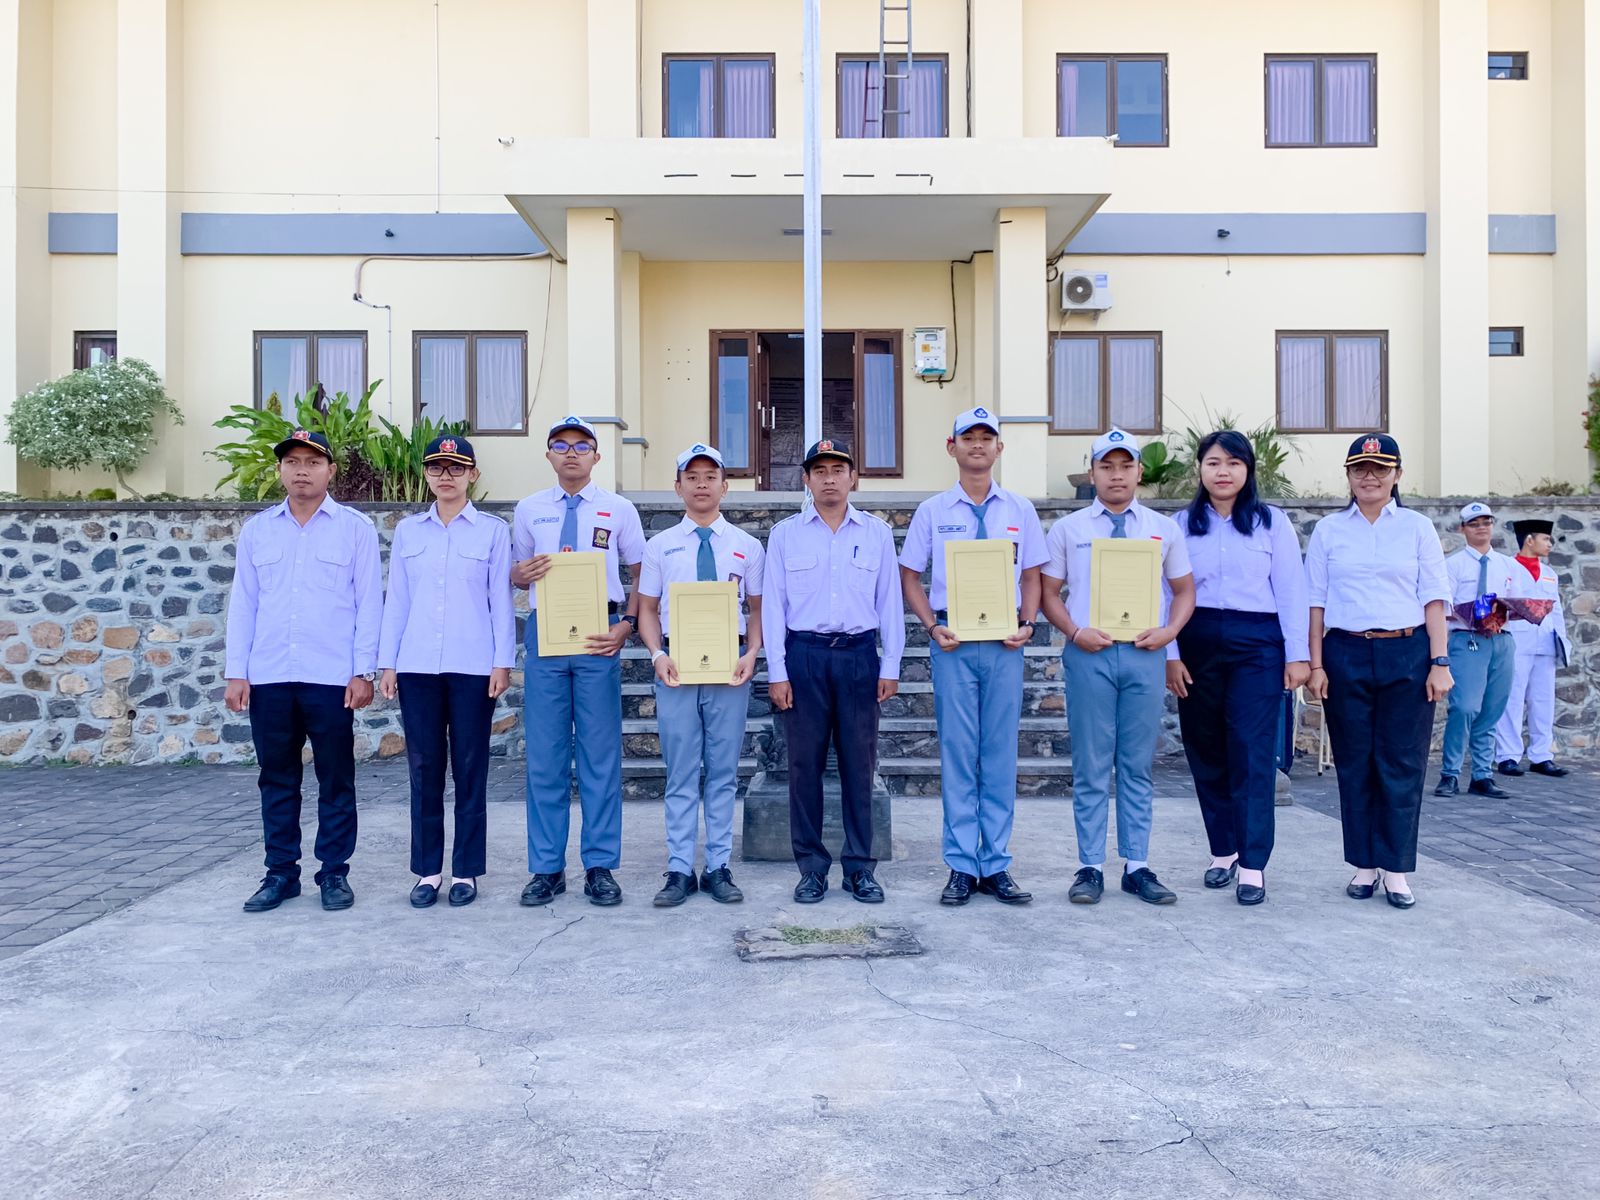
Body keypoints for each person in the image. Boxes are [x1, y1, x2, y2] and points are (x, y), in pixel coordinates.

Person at [225, 429, 382, 913]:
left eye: (312, 462)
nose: (301, 470)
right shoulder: (259, 530)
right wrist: (237, 672)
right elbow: (244, 604)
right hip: (269, 674)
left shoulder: (354, 528)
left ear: (330, 471)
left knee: (336, 779)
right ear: (280, 470)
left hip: (331, 677)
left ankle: (334, 873)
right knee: (277, 778)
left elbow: (368, 604)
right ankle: (280, 873)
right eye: (292, 461)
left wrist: (364, 672)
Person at [1040, 428, 1196, 907]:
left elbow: (1185, 591)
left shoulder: (1163, 528)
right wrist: (1073, 630)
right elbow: (1048, 593)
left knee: (1135, 764)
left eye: (1125, 466)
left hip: (1144, 655)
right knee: (1090, 763)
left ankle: (1137, 865)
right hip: (1090, 653)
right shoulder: (1069, 528)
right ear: (1092, 473)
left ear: (1139, 472)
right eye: (1106, 466)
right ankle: (1089, 865)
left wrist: (1168, 634)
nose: (1116, 475)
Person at [900, 407, 1045, 907]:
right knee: (959, 754)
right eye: (969, 437)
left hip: (1004, 645)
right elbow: (909, 577)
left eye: (987, 438)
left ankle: (997, 865)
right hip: (955, 645)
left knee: (1000, 754)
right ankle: (962, 865)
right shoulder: (933, 512)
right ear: (952, 446)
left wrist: (1028, 622)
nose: (978, 445)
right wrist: (931, 625)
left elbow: (1032, 576)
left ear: (999, 448)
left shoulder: (1019, 510)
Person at [1306, 433, 1452, 911]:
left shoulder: (1416, 528)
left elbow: (1434, 599)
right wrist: (1317, 664)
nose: (1370, 477)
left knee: (1403, 763)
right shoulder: (1329, 530)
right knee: (1354, 762)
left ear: (1397, 475)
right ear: (1348, 476)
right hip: (1344, 653)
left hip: (1406, 653)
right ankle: (1363, 865)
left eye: (1380, 469)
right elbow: (1316, 603)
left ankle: (1396, 869)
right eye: (1360, 469)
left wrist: (1439, 661)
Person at [1165, 429, 1308, 906]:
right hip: (1196, 639)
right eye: (1212, 462)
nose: (1222, 472)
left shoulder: (1271, 523)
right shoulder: (1181, 525)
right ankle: (1221, 851)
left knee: (1250, 750)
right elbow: (1165, 592)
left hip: (1257, 644)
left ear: (1248, 470)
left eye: (1232, 463)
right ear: (1200, 470)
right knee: (1205, 747)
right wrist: (1171, 655)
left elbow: (1291, 590)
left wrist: (1297, 655)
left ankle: (1252, 864)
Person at [511, 416, 645, 907]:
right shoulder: (529, 510)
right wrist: (517, 573)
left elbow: (640, 568)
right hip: (547, 639)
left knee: (599, 758)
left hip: (598, 639)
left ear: (596, 455)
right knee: (545, 759)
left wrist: (626, 624)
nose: (571, 453)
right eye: (561, 445)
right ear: (548, 455)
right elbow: (518, 572)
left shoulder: (618, 508)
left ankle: (600, 866)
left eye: (582, 445)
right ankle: (546, 868)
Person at [764, 438, 904, 904]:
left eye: (837, 469)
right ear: (806, 478)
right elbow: (773, 608)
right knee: (803, 767)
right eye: (819, 470)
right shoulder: (786, 534)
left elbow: (890, 604)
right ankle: (811, 868)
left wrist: (891, 665)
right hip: (804, 655)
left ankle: (860, 867)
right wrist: (778, 671)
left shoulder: (877, 533)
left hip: (859, 658)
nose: (829, 478)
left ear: (852, 478)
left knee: (858, 767)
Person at [377, 436, 515, 909]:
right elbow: (396, 600)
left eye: (456, 468)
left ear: (472, 475)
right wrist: (388, 662)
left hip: (474, 667)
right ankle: (427, 871)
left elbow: (501, 600)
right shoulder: (410, 532)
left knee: (471, 769)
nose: (446, 476)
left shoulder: (493, 531)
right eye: (437, 468)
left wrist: (502, 663)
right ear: (427, 475)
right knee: (424, 769)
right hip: (417, 667)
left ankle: (466, 872)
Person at [635, 444, 764, 907]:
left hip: (729, 668)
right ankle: (677, 868)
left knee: (724, 771)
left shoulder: (746, 547)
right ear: (678, 487)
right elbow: (647, 609)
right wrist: (655, 654)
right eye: (693, 476)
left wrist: (752, 653)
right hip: (676, 666)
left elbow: (757, 609)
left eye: (711, 476)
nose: (702, 483)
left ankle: (718, 865)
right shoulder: (660, 546)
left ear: (725, 487)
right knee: (682, 771)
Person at [1433, 502, 1525, 800]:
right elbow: (1444, 608)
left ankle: (1482, 774)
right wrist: (1475, 614)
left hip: (1501, 640)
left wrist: (1509, 611)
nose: (1481, 527)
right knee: (1464, 707)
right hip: (1468, 638)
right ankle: (1450, 773)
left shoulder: (1508, 565)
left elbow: (1519, 601)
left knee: (1492, 708)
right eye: (1474, 523)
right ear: (1463, 529)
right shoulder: (1453, 565)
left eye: (1486, 522)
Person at [1496, 518, 1573, 778]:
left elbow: (1557, 611)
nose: (1550, 544)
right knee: (1512, 698)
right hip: (1517, 641)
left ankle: (1541, 755)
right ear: (1529, 539)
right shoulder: (1506, 567)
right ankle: (1508, 755)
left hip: (1546, 643)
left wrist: (1562, 642)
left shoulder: (1551, 574)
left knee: (1543, 700)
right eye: (1546, 538)